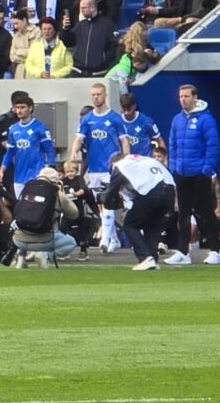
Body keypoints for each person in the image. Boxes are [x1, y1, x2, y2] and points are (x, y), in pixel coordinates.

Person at [168, 82, 220, 264]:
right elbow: (172, 144)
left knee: (205, 213)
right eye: (181, 96)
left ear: (195, 97)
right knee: (182, 213)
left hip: (199, 173)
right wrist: (174, 167)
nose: (183, 100)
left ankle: (215, 251)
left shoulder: (206, 119)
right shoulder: (177, 119)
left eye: (186, 96)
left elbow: (212, 146)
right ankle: (183, 252)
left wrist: (206, 170)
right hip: (181, 172)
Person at [72, 83, 130, 253]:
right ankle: (114, 239)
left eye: (99, 94)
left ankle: (105, 239)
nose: (96, 97)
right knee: (100, 205)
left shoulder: (114, 118)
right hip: (95, 168)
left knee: (109, 203)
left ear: (105, 95)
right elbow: (79, 138)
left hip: (111, 168)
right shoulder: (88, 119)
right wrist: (73, 153)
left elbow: (124, 140)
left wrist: (125, 161)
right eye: (93, 94)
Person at [107, 149, 181, 271]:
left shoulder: (120, 165)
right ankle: (152, 258)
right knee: (152, 227)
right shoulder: (145, 160)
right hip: (169, 193)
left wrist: (105, 199)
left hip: (152, 192)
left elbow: (109, 195)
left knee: (130, 224)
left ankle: (145, 258)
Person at [0, 90, 56, 197]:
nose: (19, 110)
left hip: (36, 176)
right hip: (19, 177)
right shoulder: (13, 129)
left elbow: (49, 150)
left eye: (22, 107)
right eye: (17, 107)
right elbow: (10, 153)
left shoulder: (40, 128)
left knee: (35, 207)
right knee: (21, 208)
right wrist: (2, 170)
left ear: (30, 108)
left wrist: (51, 169)